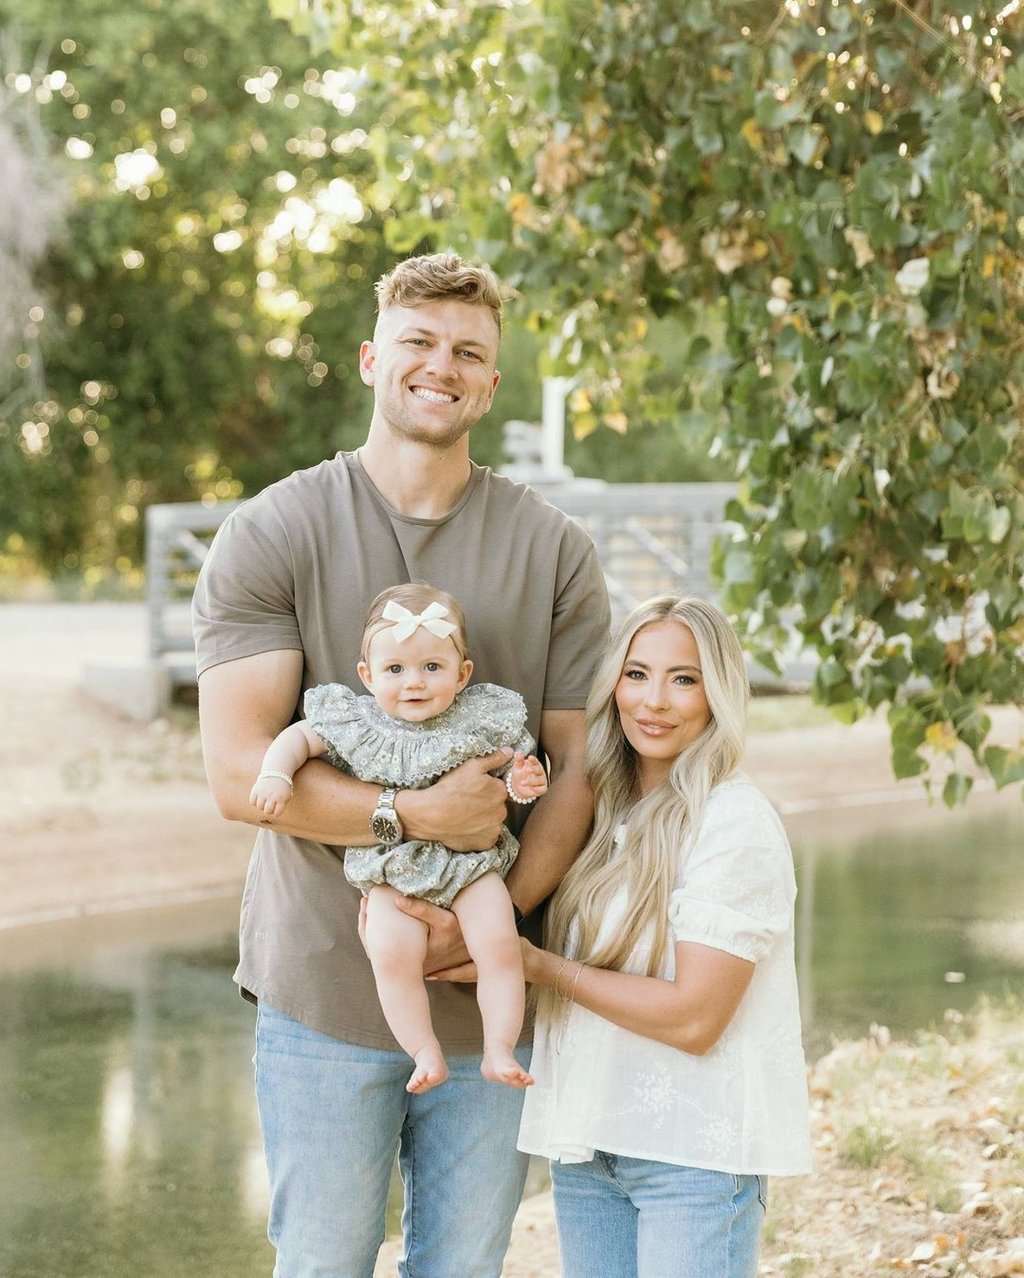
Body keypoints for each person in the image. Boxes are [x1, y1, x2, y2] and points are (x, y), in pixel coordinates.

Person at [191, 249, 611, 1278]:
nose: (442, 365)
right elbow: (239, 770)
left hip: (485, 985)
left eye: (468, 351)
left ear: (491, 383)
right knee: (324, 1261)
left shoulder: (553, 548)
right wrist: (414, 819)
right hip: (323, 980)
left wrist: (487, 916)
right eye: (419, 343)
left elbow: (576, 768)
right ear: (375, 359)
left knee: (461, 1267)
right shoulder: (275, 529)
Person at [515, 595, 812, 1278]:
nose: (654, 700)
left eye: (685, 678)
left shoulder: (732, 822)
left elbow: (695, 1018)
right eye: (637, 673)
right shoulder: (603, 811)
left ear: (719, 695)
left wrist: (541, 966)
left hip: (692, 1159)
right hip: (590, 1148)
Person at [250, 582, 546, 1093]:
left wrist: (523, 784)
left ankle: (498, 1047)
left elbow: (512, 771)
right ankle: (423, 1049)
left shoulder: (479, 720)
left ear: (463, 674)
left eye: (433, 667)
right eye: (395, 670)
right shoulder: (357, 720)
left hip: (470, 867)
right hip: (390, 872)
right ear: (367, 676)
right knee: (390, 953)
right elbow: (297, 738)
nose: (415, 682)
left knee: (500, 944)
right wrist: (276, 774)